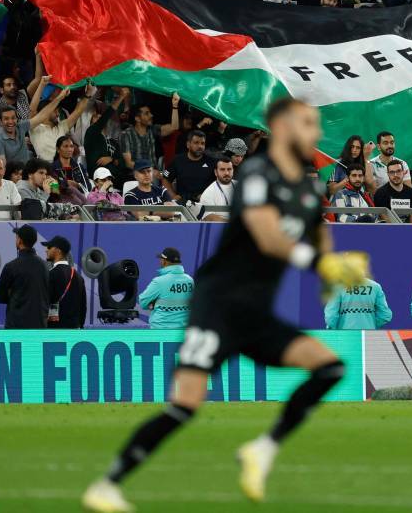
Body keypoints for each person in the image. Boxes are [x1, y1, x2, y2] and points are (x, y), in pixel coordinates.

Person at [83, 98, 370, 511]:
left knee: (330, 367)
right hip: (217, 306)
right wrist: (322, 262)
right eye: (308, 123)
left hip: (256, 314)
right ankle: (107, 485)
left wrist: (333, 270)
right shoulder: (256, 173)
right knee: (185, 405)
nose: (317, 131)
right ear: (282, 127)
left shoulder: (309, 189)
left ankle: (263, 449)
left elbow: (317, 234)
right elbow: (267, 234)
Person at [0, 225, 49, 329]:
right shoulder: (45, 266)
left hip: (16, 325)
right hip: (39, 325)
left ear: (19, 240)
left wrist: (13, 295)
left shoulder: (11, 266)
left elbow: (1, 297)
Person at [138, 247, 194, 329]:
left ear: (164, 261)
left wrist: (153, 304)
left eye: (161, 259)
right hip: (182, 332)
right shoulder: (190, 280)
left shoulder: (159, 282)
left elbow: (142, 302)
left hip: (161, 332)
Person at [43, 235, 86, 329]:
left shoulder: (50, 275)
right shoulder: (79, 277)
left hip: (54, 330)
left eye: (49, 247)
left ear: (58, 250)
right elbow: (83, 307)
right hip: (73, 330)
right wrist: (81, 326)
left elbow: (44, 302)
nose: (46, 250)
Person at [160, 129, 214, 204]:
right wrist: (173, 196)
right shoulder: (177, 160)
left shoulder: (211, 162)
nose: (200, 146)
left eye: (202, 143)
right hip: (182, 203)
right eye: (196, 143)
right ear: (188, 144)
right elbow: (165, 179)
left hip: (205, 203)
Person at [324, 277, 392, 329]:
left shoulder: (338, 286)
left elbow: (331, 317)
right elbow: (385, 315)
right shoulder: (375, 287)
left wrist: (333, 330)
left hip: (345, 337)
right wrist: (370, 325)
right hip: (368, 336)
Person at [197, 156, 235, 221]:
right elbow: (208, 217)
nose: (226, 173)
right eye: (222, 169)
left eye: (229, 169)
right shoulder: (208, 193)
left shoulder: (241, 185)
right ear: (215, 172)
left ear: (233, 170)